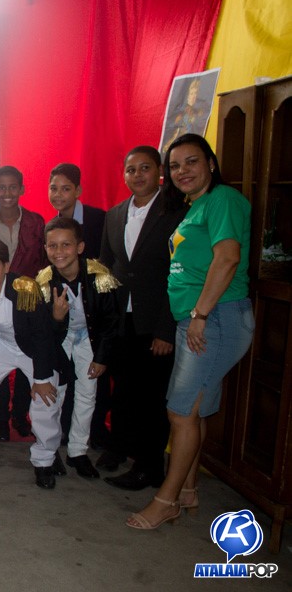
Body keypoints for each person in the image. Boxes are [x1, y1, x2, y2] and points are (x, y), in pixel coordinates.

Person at [127, 134, 252, 530]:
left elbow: (227, 258)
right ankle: (188, 489)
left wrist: (200, 314)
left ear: (211, 164)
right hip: (197, 319)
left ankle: (165, 501)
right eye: (176, 165)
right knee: (194, 411)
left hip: (214, 318)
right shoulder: (195, 206)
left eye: (192, 162)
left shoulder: (223, 200)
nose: (182, 171)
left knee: (179, 412)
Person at [98, 146, 187, 487]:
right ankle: (118, 447)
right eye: (131, 169)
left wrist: (166, 329)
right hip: (121, 318)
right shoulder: (115, 214)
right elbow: (106, 267)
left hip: (156, 320)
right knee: (121, 388)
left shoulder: (177, 213)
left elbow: (179, 276)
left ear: (160, 171)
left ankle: (149, 466)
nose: (137, 175)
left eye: (144, 168)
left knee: (151, 395)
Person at [0, 237, 68, 489]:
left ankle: (45, 459)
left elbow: (42, 336)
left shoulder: (25, 289)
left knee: (45, 400)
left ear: (6, 266)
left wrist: (41, 379)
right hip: (3, 345)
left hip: (33, 350)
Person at [36, 217, 119, 480]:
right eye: (52, 246)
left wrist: (101, 358)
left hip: (89, 339)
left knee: (87, 394)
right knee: (54, 394)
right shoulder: (43, 281)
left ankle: (77, 451)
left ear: (80, 247)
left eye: (66, 245)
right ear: (45, 248)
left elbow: (111, 322)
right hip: (59, 339)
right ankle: (50, 450)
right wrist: (56, 318)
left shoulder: (100, 276)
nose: (59, 252)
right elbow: (42, 330)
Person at [0, 166, 47, 442]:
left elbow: (43, 262)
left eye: (12, 187)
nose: (7, 192)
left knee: (27, 357)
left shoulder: (36, 222)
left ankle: (20, 415)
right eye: (1, 187)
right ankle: (2, 420)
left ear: (22, 189)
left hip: (27, 303)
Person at [47, 163, 109, 449]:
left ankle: (86, 441)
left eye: (65, 188)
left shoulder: (99, 219)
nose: (58, 195)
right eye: (53, 188)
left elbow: (106, 261)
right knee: (61, 383)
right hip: (64, 322)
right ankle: (57, 438)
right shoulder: (52, 226)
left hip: (93, 317)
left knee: (90, 385)